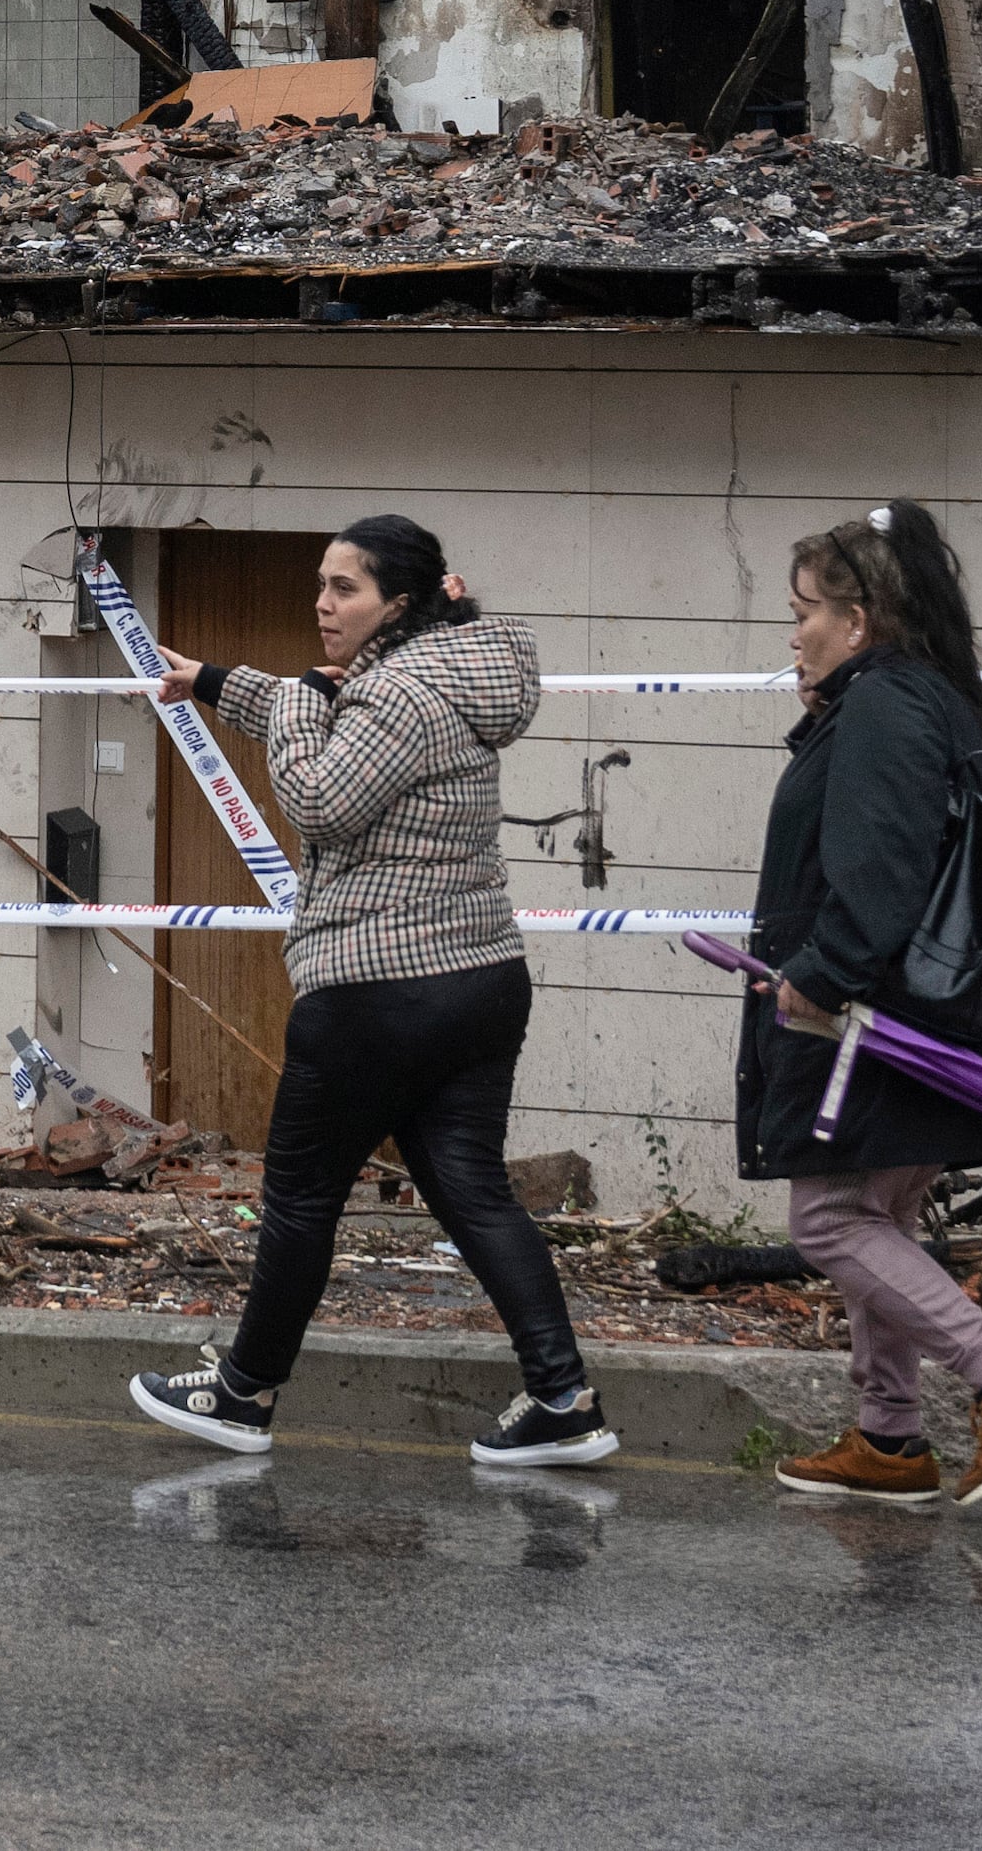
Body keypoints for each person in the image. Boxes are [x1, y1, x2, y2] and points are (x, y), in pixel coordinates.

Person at [119, 517, 615, 1468]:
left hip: (380, 988)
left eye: (343, 587)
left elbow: (317, 794)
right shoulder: (448, 674)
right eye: (320, 584)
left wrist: (299, 700)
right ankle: (563, 1397)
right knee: (471, 1187)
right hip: (479, 980)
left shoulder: (396, 693)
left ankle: (242, 1393)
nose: (321, 602)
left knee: (302, 1194)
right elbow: (332, 718)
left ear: (398, 601)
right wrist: (218, 681)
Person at [738, 499, 982, 1506]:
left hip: (867, 1018)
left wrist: (818, 974)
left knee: (830, 1220)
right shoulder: (927, 697)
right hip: (921, 1014)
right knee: (874, 1208)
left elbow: (878, 871)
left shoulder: (884, 703)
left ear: (860, 615)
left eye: (804, 608)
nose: (791, 629)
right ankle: (887, 1438)